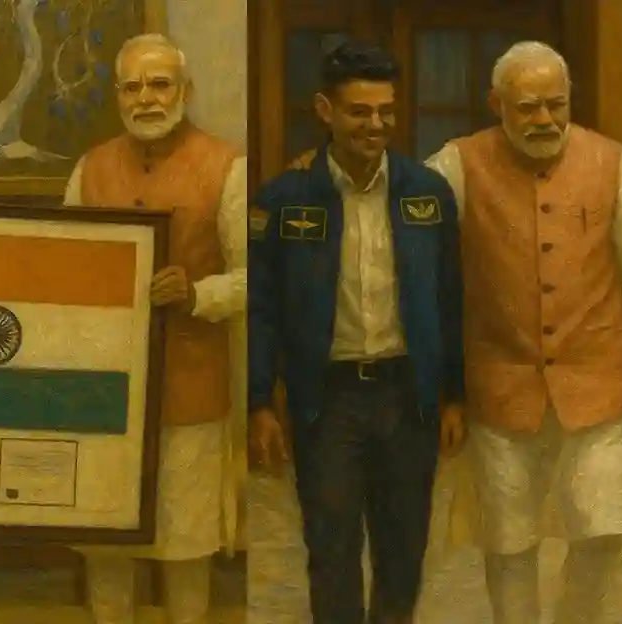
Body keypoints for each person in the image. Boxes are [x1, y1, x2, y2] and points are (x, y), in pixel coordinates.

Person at [425, 41, 622, 624]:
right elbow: (401, 212)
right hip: (499, 386)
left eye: (556, 104)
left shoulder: (611, 161)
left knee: (604, 531)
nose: (544, 119)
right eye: (528, 106)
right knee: (508, 542)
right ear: (496, 105)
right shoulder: (457, 163)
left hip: (600, 381)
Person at [248, 41, 465, 624]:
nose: (376, 124)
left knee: (403, 549)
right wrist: (258, 401)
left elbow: (450, 300)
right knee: (332, 547)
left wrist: (454, 394)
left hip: (407, 397)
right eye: (359, 111)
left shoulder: (427, 193)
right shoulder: (284, 200)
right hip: (328, 400)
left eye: (386, 111)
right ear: (326, 110)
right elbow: (262, 309)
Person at [63, 33, 246, 624]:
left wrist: (196, 294)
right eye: (133, 87)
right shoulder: (90, 169)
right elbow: (64, 269)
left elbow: (255, 278)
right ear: (118, 95)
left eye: (160, 84)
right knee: (107, 546)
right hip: (105, 391)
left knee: (186, 546)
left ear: (185, 91)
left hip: (190, 389)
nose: (146, 98)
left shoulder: (228, 167)